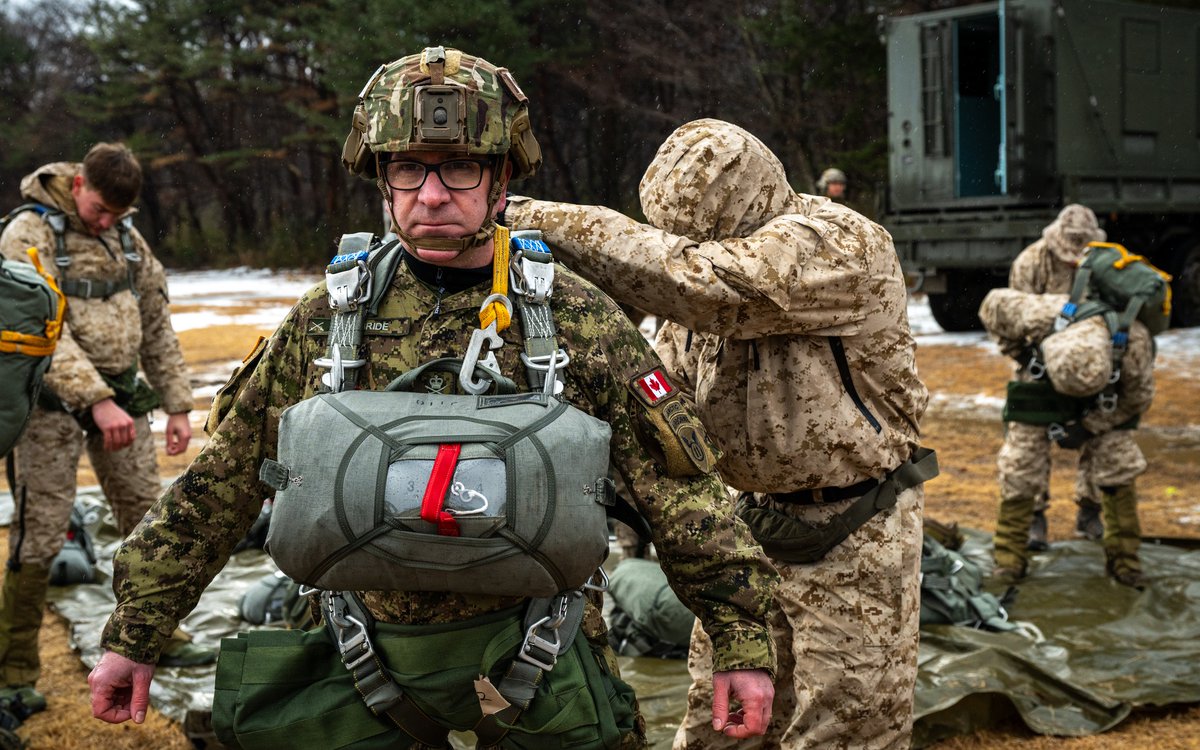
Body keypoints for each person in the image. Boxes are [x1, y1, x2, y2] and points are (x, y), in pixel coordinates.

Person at [88, 49, 777, 745]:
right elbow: (219, 486)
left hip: (540, 656)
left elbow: (680, 495)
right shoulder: (328, 321)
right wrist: (135, 632)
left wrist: (741, 640)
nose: (433, 194)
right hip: (356, 656)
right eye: (408, 169)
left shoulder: (577, 319)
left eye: (459, 167)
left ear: (501, 180)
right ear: (383, 180)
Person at [507, 119, 935, 749]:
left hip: (856, 533)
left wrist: (537, 220)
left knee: (845, 726)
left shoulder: (838, 244)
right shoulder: (699, 291)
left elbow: (712, 288)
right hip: (750, 528)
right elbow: (661, 400)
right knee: (723, 725)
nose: (684, 249)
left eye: (696, 237)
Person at [0, 143, 201, 710]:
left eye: (119, 213)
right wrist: (95, 398)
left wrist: (177, 403)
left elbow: (155, 320)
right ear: (78, 184)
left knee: (148, 520)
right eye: (100, 210)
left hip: (124, 399)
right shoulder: (28, 233)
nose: (108, 222)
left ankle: (156, 636)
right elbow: (40, 330)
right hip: (48, 404)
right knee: (40, 535)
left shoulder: (126, 236)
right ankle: (14, 671)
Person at [979, 287, 1154, 587]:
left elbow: (1137, 399)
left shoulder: (1134, 340)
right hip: (1039, 387)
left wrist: (1090, 426)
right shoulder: (1042, 314)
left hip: (1104, 402)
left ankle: (1125, 561)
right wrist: (1019, 353)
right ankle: (1008, 560)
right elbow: (991, 306)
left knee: (1119, 465)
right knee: (1019, 467)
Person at [1000, 204, 1109, 547]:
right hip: (1037, 365)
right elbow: (1009, 317)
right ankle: (1034, 517)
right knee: (1028, 444)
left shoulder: (1103, 261)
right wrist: (1025, 357)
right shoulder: (1030, 262)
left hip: (1088, 365)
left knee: (1101, 434)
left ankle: (1090, 510)